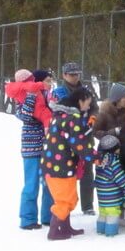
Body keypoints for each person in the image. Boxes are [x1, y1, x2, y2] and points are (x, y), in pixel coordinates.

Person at [41, 87, 101, 241]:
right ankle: (54, 232)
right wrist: (96, 157)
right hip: (60, 166)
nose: (88, 107)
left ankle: (66, 227)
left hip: (55, 164)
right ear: (80, 101)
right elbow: (78, 143)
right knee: (65, 200)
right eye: (87, 104)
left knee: (69, 197)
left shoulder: (61, 115)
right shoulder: (71, 118)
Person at [6, 69, 54, 230]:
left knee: (49, 183)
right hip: (31, 148)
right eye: (46, 80)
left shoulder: (47, 97)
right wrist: (32, 96)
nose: (48, 83)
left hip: (48, 146)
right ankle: (27, 219)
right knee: (31, 184)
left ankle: (49, 216)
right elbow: (25, 116)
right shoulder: (22, 99)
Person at [51, 61, 98, 215]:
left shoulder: (86, 89)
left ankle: (88, 205)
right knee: (66, 171)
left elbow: (95, 107)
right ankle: (64, 205)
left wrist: (93, 118)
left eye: (77, 74)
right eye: (71, 74)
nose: (75, 77)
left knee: (87, 171)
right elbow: (56, 112)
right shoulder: (58, 92)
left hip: (85, 134)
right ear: (64, 75)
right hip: (66, 139)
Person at [95, 135, 125, 237]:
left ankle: (100, 229)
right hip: (112, 196)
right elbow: (122, 181)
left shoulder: (100, 162)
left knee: (103, 213)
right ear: (115, 149)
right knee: (112, 214)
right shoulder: (114, 163)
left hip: (102, 195)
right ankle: (110, 232)